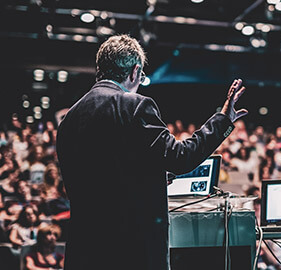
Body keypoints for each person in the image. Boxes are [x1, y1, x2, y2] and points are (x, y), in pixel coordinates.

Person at [55, 34, 248, 270]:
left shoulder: (69, 119)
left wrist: (150, 178)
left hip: (84, 251)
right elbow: (181, 157)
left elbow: (101, 175)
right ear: (135, 72)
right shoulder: (134, 105)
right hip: (130, 251)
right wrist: (221, 121)